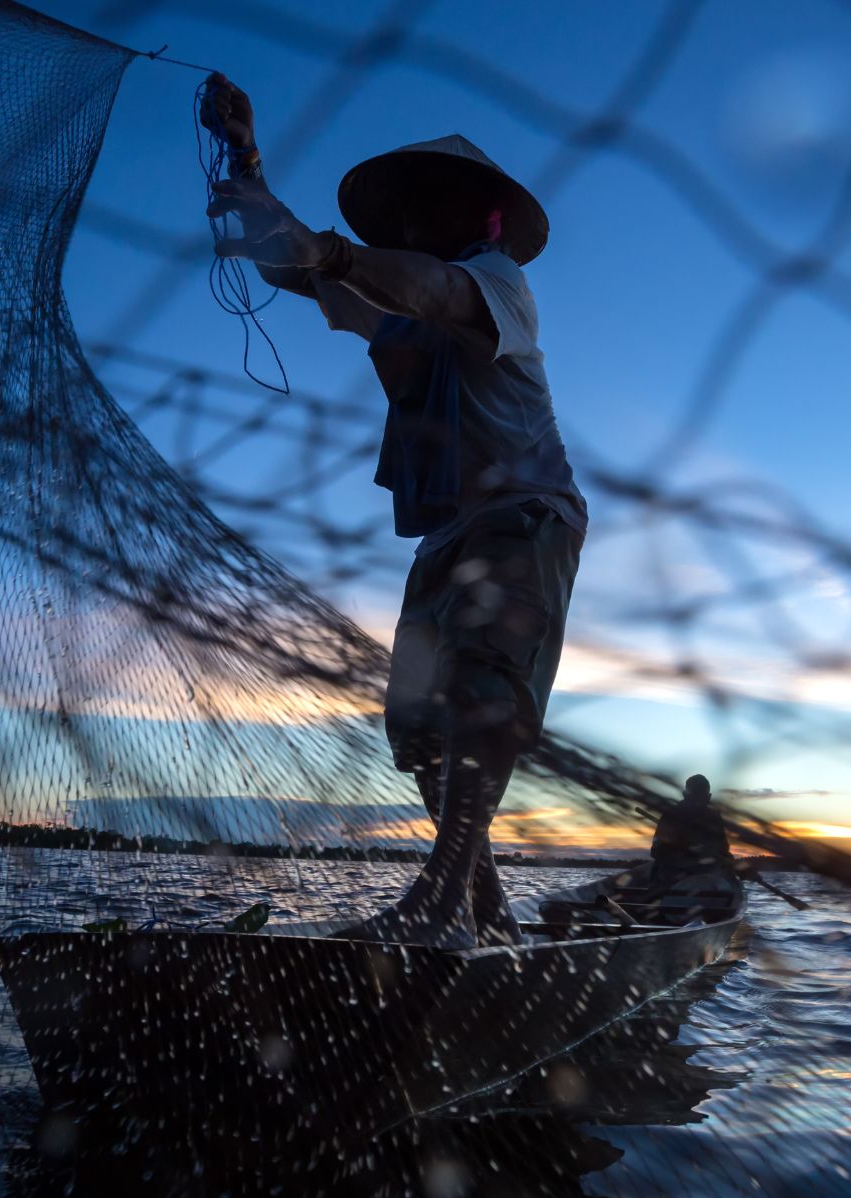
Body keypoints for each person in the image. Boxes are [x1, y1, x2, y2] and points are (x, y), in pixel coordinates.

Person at [199, 77, 586, 949]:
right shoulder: (392, 302)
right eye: (407, 209)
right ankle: (487, 915)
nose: (413, 219)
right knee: (418, 726)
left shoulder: (496, 284)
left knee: (483, 692)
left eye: (432, 204)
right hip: (447, 533)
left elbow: (430, 293)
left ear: (475, 215)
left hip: (525, 517)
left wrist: (328, 252)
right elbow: (287, 265)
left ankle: (438, 905)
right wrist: (245, 160)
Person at [650, 775, 732, 879]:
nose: (697, 800)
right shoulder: (670, 815)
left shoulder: (714, 817)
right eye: (696, 794)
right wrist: (681, 849)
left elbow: (723, 851)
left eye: (700, 794)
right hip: (672, 874)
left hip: (705, 875)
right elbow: (656, 852)